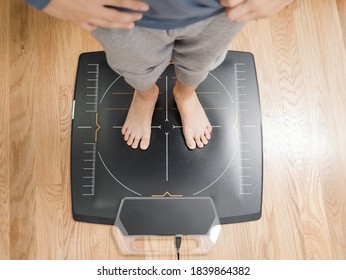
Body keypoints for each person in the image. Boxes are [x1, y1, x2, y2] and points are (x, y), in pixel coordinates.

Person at [25, 0, 294, 150]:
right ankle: (145, 94)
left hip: (222, 9)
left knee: (201, 61)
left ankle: (185, 94)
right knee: (133, 65)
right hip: (118, 11)